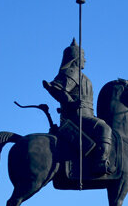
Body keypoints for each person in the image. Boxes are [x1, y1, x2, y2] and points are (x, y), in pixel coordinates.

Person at [42, 39, 113, 176]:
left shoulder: (81, 75)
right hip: (76, 117)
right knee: (103, 128)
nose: (85, 60)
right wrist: (71, 102)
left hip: (87, 115)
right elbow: (56, 89)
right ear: (75, 58)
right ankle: (100, 162)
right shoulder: (72, 72)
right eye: (83, 57)